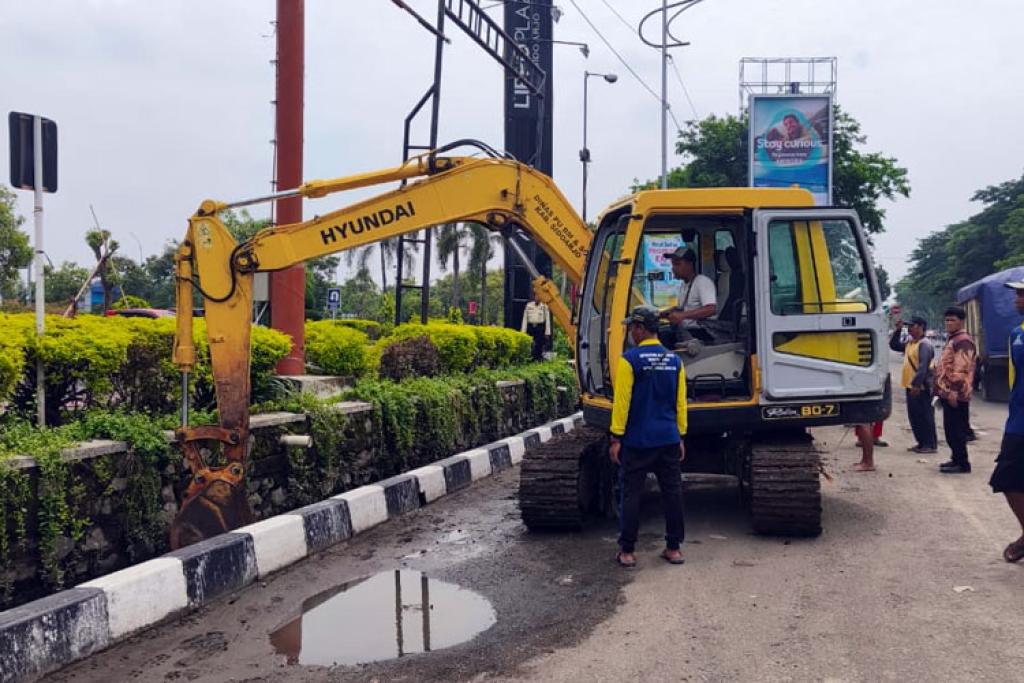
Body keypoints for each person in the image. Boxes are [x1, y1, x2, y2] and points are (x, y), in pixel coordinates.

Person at [608, 305, 688, 568]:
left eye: (632, 326)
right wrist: (680, 436)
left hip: (637, 440)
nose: (630, 331)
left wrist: (616, 437)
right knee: (673, 492)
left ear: (641, 329)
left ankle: (628, 551)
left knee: (631, 494)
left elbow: (622, 403)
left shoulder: (630, 360)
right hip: (667, 438)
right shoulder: (675, 361)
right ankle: (674, 549)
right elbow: (680, 404)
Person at [991, 280, 1024, 562]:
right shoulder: (1017, 334)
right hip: (1019, 423)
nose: (1017, 299)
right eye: (1017, 294)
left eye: (1023, 294)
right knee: (1007, 478)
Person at [933, 306, 977, 474]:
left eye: (953, 320)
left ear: (961, 321)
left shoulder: (963, 341)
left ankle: (962, 463)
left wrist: (953, 391)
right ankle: (955, 458)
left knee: (957, 430)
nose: (949, 323)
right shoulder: (954, 338)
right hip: (947, 392)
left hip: (956, 394)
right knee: (950, 429)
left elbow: (961, 368)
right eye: (947, 320)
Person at [890, 315, 938, 453]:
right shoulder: (910, 343)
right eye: (908, 326)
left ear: (921, 327)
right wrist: (897, 331)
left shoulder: (925, 344)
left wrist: (917, 385)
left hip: (921, 387)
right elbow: (894, 345)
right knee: (915, 417)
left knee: (925, 416)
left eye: (912, 326)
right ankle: (921, 442)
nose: (910, 328)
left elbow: (923, 367)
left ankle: (929, 444)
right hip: (910, 386)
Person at [659, 247, 717, 346]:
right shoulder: (684, 285)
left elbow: (711, 309)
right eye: (673, 264)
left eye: (677, 264)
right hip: (685, 330)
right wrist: (666, 313)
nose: (673, 268)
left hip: (700, 333)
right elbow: (683, 308)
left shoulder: (702, 282)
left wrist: (682, 316)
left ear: (690, 265)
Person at [520, 293, 551, 361]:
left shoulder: (544, 306)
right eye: (536, 296)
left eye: (539, 296)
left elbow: (547, 320)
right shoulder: (529, 305)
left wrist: (547, 332)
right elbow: (525, 319)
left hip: (540, 327)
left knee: (539, 343)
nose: (538, 298)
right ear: (534, 297)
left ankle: (538, 358)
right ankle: (531, 357)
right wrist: (523, 331)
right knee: (530, 342)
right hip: (531, 327)